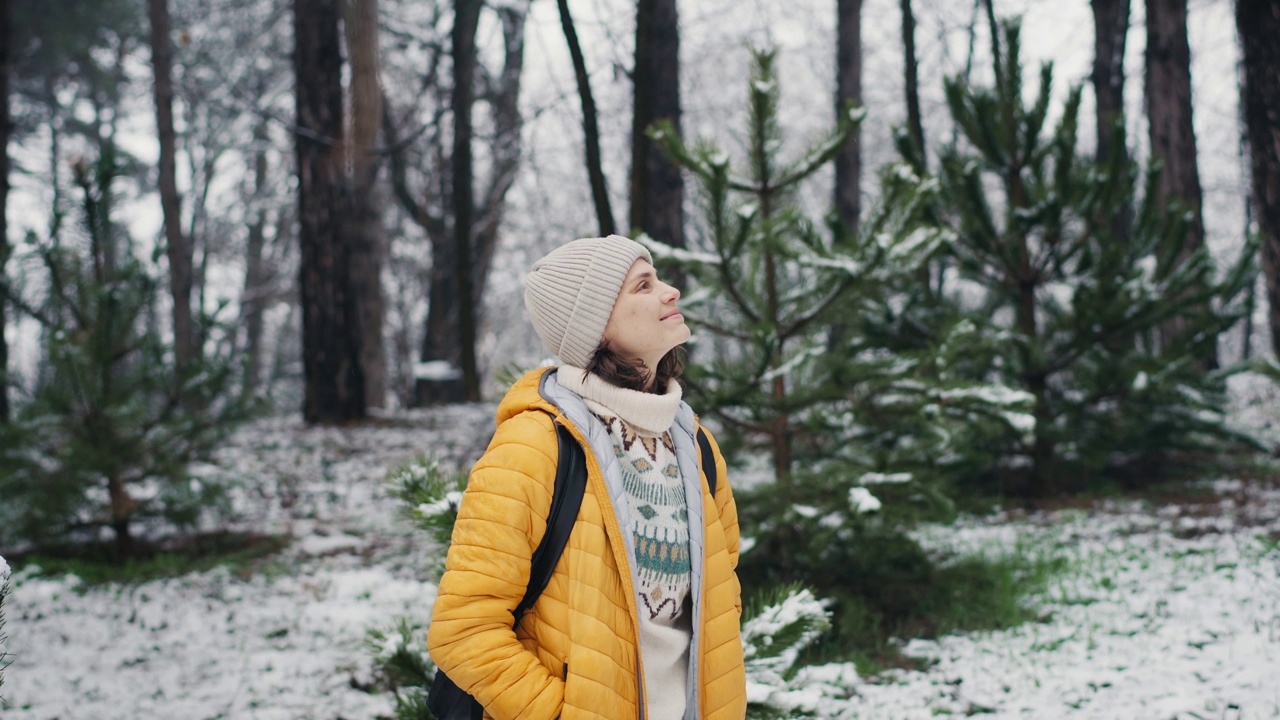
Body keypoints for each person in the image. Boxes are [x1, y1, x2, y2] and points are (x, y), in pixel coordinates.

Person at [427, 235, 747, 720]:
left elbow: (724, 596)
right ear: (594, 327)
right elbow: (464, 627)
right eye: (643, 285)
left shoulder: (695, 444)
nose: (670, 292)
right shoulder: (534, 444)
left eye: (657, 278)